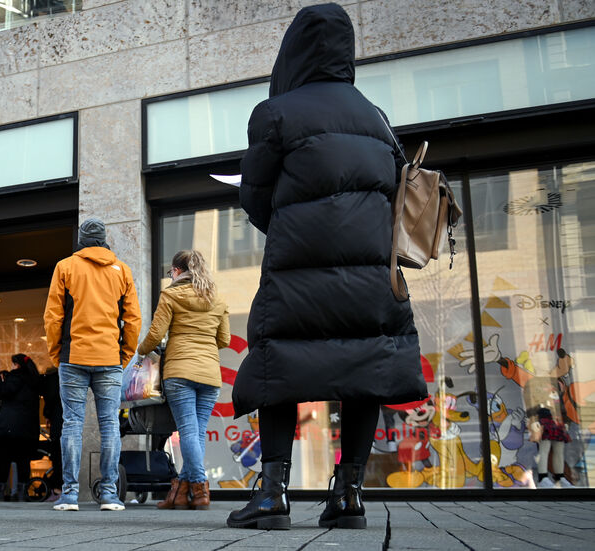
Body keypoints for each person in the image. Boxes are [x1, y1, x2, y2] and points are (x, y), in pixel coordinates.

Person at [227, 4, 427, 531]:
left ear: (292, 50)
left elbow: (255, 195)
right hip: (371, 276)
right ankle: (349, 494)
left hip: (298, 271)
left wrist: (293, 226)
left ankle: (273, 495)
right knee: (364, 367)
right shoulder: (377, 118)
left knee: (278, 367)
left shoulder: (276, 113)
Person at [43, 217, 141, 511]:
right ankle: (109, 494)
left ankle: (70, 494)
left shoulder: (66, 267)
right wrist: (124, 354)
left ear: (82, 240)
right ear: (103, 240)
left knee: (71, 424)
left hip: (73, 357)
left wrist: (56, 353)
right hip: (110, 357)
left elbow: (53, 317)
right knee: (110, 424)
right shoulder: (121, 270)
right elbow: (133, 319)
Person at [137, 250, 230, 511]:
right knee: (196, 432)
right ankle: (181, 491)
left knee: (189, 431)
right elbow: (223, 339)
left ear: (177, 271)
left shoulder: (171, 295)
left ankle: (200, 487)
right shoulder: (218, 299)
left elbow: (156, 334)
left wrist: (141, 352)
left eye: (170, 272)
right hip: (210, 375)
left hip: (181, 372)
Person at [0, 354, 41, 501]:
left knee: (3, 460)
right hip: (27, 430)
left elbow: (4, 391)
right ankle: (22, 492)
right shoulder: (34, 380)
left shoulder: (16, 377)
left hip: (10, 429)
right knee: (23, 461)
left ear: (17, 365)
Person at [39, 366, 64, 501]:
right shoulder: (64, 376)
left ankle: (57, 489)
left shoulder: (51, 379)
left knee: (57, 456)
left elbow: (50, 398)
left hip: (57, 421)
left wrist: (47, 414)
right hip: (67, 418)